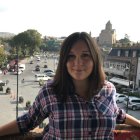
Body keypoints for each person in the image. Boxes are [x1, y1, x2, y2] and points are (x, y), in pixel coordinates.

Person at [0, 32, 140, 139]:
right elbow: (27, 121)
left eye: (85, 55)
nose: (78, 62)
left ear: (95, 59)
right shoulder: (50, 92)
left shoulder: (108, 89)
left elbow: (117, 114)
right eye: (71, 56)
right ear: (64, 61)